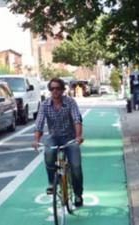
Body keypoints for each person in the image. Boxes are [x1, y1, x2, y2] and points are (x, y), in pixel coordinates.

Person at [32, 77, 84, 207]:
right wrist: (36, 140)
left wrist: (78, 137)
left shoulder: (70, 102)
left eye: (58, 88)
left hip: (70, 137)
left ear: (62, 90)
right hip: (54, 137)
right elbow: (39, 124)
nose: (55, 91)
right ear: (49, 90)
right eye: (52, 88)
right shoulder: (45, 105)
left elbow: (77, 119)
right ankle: (51, 182)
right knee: (48, 152)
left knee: (76, 167)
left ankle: (78, 194)